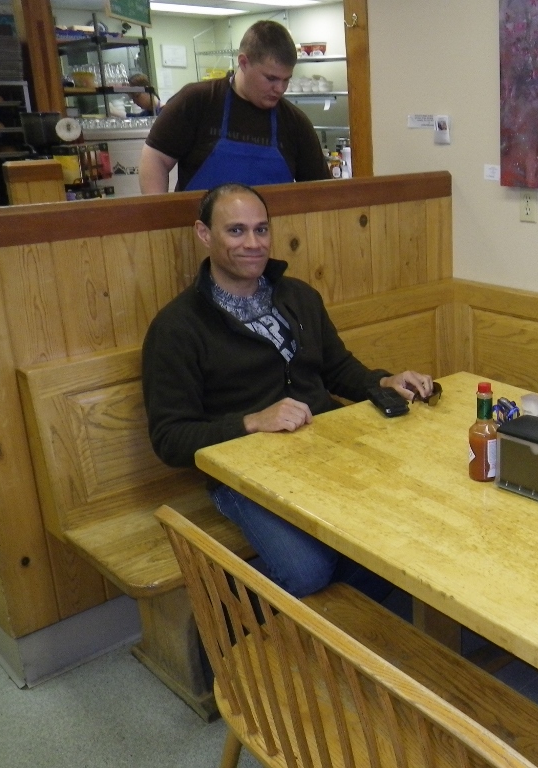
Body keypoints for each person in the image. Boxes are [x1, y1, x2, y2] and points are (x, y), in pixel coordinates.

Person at [142, 183, 436, 598]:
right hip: (243, 476)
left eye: (261, 230)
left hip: (328, 449)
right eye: (236, 231)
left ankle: (349, 626)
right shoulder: (177, 327)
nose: (253, 243)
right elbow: (170, 439)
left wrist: (382, 381)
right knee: (307, 572)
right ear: (204, 235)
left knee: (407, 523)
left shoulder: (299, 296)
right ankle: (243, 622)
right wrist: (252, 422)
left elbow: (337, 368)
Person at [139, 20, 330, 193]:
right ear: (243, 62)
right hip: (198, 229)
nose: (280, 89)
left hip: (272, 230)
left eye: (286, 79)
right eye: (271, 78)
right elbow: (155, 159)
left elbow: (322, 190)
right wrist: (160, 220)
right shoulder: (198, 102)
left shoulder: (295, 123)